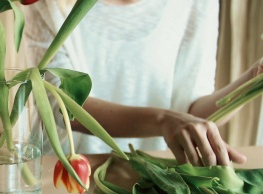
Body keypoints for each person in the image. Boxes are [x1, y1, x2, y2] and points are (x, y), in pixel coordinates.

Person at [23, 0, 262, 166]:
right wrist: (163, 121)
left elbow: (192, 111)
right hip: (68, 170)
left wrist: (253, 78)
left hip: (150, 174)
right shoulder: (48, 5)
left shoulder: (197, 4)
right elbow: (61, 105)